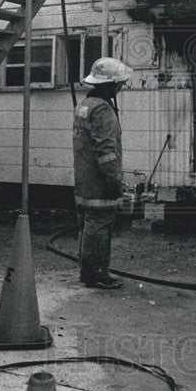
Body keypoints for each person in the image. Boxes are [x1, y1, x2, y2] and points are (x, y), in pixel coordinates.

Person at [73, 56, 133, 289]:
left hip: (83, 179)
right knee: (99, 226)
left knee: (87, 226)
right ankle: (97, 275)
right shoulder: (104, 110)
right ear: (110, 85)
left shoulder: (85, 105)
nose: (121, 86)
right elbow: (106, 151)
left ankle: (88, 272)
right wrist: (114, 180)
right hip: (99, 182)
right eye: (119, 83)